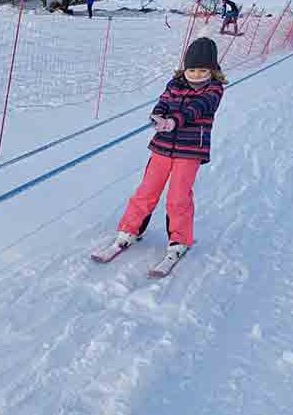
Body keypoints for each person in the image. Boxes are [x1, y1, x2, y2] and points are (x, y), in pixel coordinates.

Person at [93, 38, 226, 267]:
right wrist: (157, 116)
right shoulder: (175, 83)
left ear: (212, 70)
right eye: (191, 69)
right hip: (162, 147)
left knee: (178, 197)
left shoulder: (213, 89)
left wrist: (174, 121)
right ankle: (129, 231)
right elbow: (163, 103)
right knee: (146, 190)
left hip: (189, 151)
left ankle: (179, 240)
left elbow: (198, 108)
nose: (195, 74)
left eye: (202, 70)